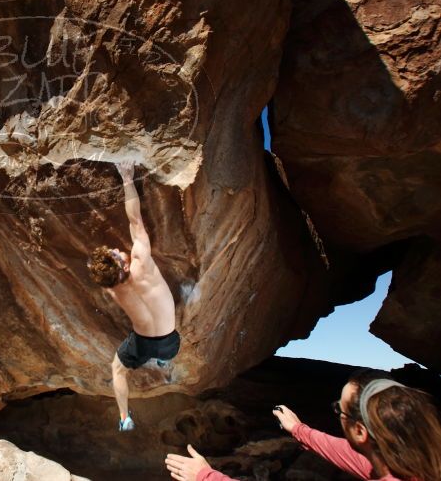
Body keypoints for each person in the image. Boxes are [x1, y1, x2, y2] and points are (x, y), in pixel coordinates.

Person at [165, 369, 441, 480]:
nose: (337, 414)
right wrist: (299, 430)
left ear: (360, 431)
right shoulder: (411, 463)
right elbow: (345, 452)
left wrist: (205, 475)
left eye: (340, 409)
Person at [86, 160, 180, 432]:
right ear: (124, 264)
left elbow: (97, 271)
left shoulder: (113, 288)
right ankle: (164, 361)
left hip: (142, 343)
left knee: (117, 369)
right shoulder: (141, 261)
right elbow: (135, 219)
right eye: (117, 253)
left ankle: (125, 418)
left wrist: (101, 263)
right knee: (167, 348)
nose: (119, 248)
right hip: (170, 341)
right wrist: (127, 178)